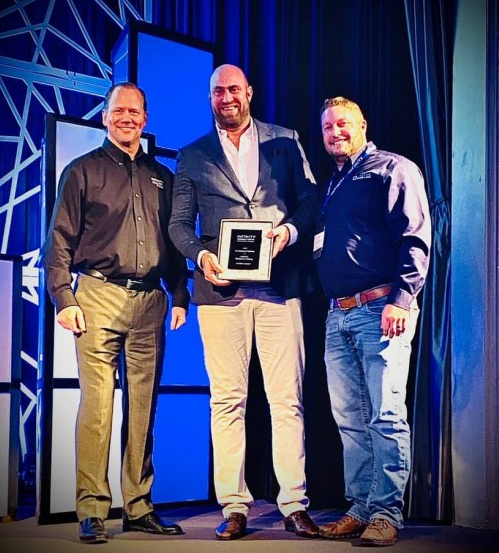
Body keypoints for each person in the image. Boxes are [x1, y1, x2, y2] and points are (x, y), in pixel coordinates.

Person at [169, 64, 319, 540]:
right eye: (218, 91)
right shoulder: (192, 154)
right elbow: (178, 225)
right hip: (220, 292)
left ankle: (293, 502)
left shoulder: (285, 140)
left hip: (280, 285)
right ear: (210, 97)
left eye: (234, 89)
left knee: (287, 400)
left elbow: (310, 201)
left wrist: (289, 231)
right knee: (227, 401)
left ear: (249, 92)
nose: (226, 97)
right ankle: (234, 505)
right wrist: (202, 256)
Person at [43, 81, 190, 544]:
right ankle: (91, 509)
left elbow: (175, 244)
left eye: (134, 112)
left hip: (150, 302)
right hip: (97, 295)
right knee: (98, 407)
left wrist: (180, 295)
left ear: (145, 119)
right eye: (118, 111)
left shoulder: (163, 177)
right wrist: (64, 299)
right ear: (105, 117)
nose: (127, 118)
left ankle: (139, 506)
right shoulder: (82, 170)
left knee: (143, 409)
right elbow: (58, 240)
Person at [314, 97, 431, 547]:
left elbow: (415, 237)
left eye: (343, 124)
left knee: (385, 415)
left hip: (380, 309)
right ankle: (361, 507)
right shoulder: (334, 182)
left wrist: (402, 299)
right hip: (338, 314)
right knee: (350, 419)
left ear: (363, 125)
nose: (335, 132)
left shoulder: (392, 168)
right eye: (328, 127)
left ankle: (386, 512)